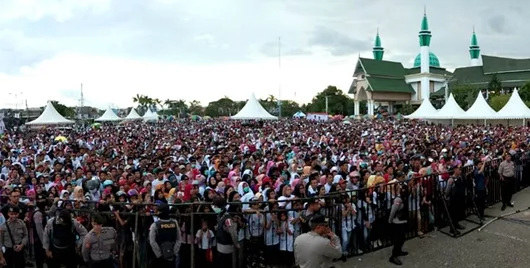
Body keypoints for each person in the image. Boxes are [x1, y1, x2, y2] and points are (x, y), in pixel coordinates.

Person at [148, 203, 182, 268]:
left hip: (160, 257)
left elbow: (152, 242)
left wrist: (159, 255)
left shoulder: (155, 225)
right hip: (170, 255)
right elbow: (179, 239)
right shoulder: (174, 223)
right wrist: (174, 252)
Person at [213, 197, 239, 268]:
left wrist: (236, 243)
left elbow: (232, 232)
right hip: (220, 246)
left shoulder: (227, 219)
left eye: (215, 206)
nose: (214, 208)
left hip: (226, 248)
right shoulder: (220, 216)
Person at [388, 183, 408, 266]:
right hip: (397, 222)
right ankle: (393, 256)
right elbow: (393, 211)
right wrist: (390, 220)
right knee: (398, 239)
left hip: (403, 221)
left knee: (402, 238)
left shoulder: (403, 198)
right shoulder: (398, 199)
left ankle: (398, 251)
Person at [445, 166, 466, 235]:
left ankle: (456, 224)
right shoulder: (451, 179)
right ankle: (452, 228)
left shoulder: (460, 177)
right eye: (458, 170)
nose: (460, 171)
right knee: (453, 214)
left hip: (459, 198)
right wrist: (447, 198)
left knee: (457, 213)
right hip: (453, 200)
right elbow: (447, 191)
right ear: (455, 170)